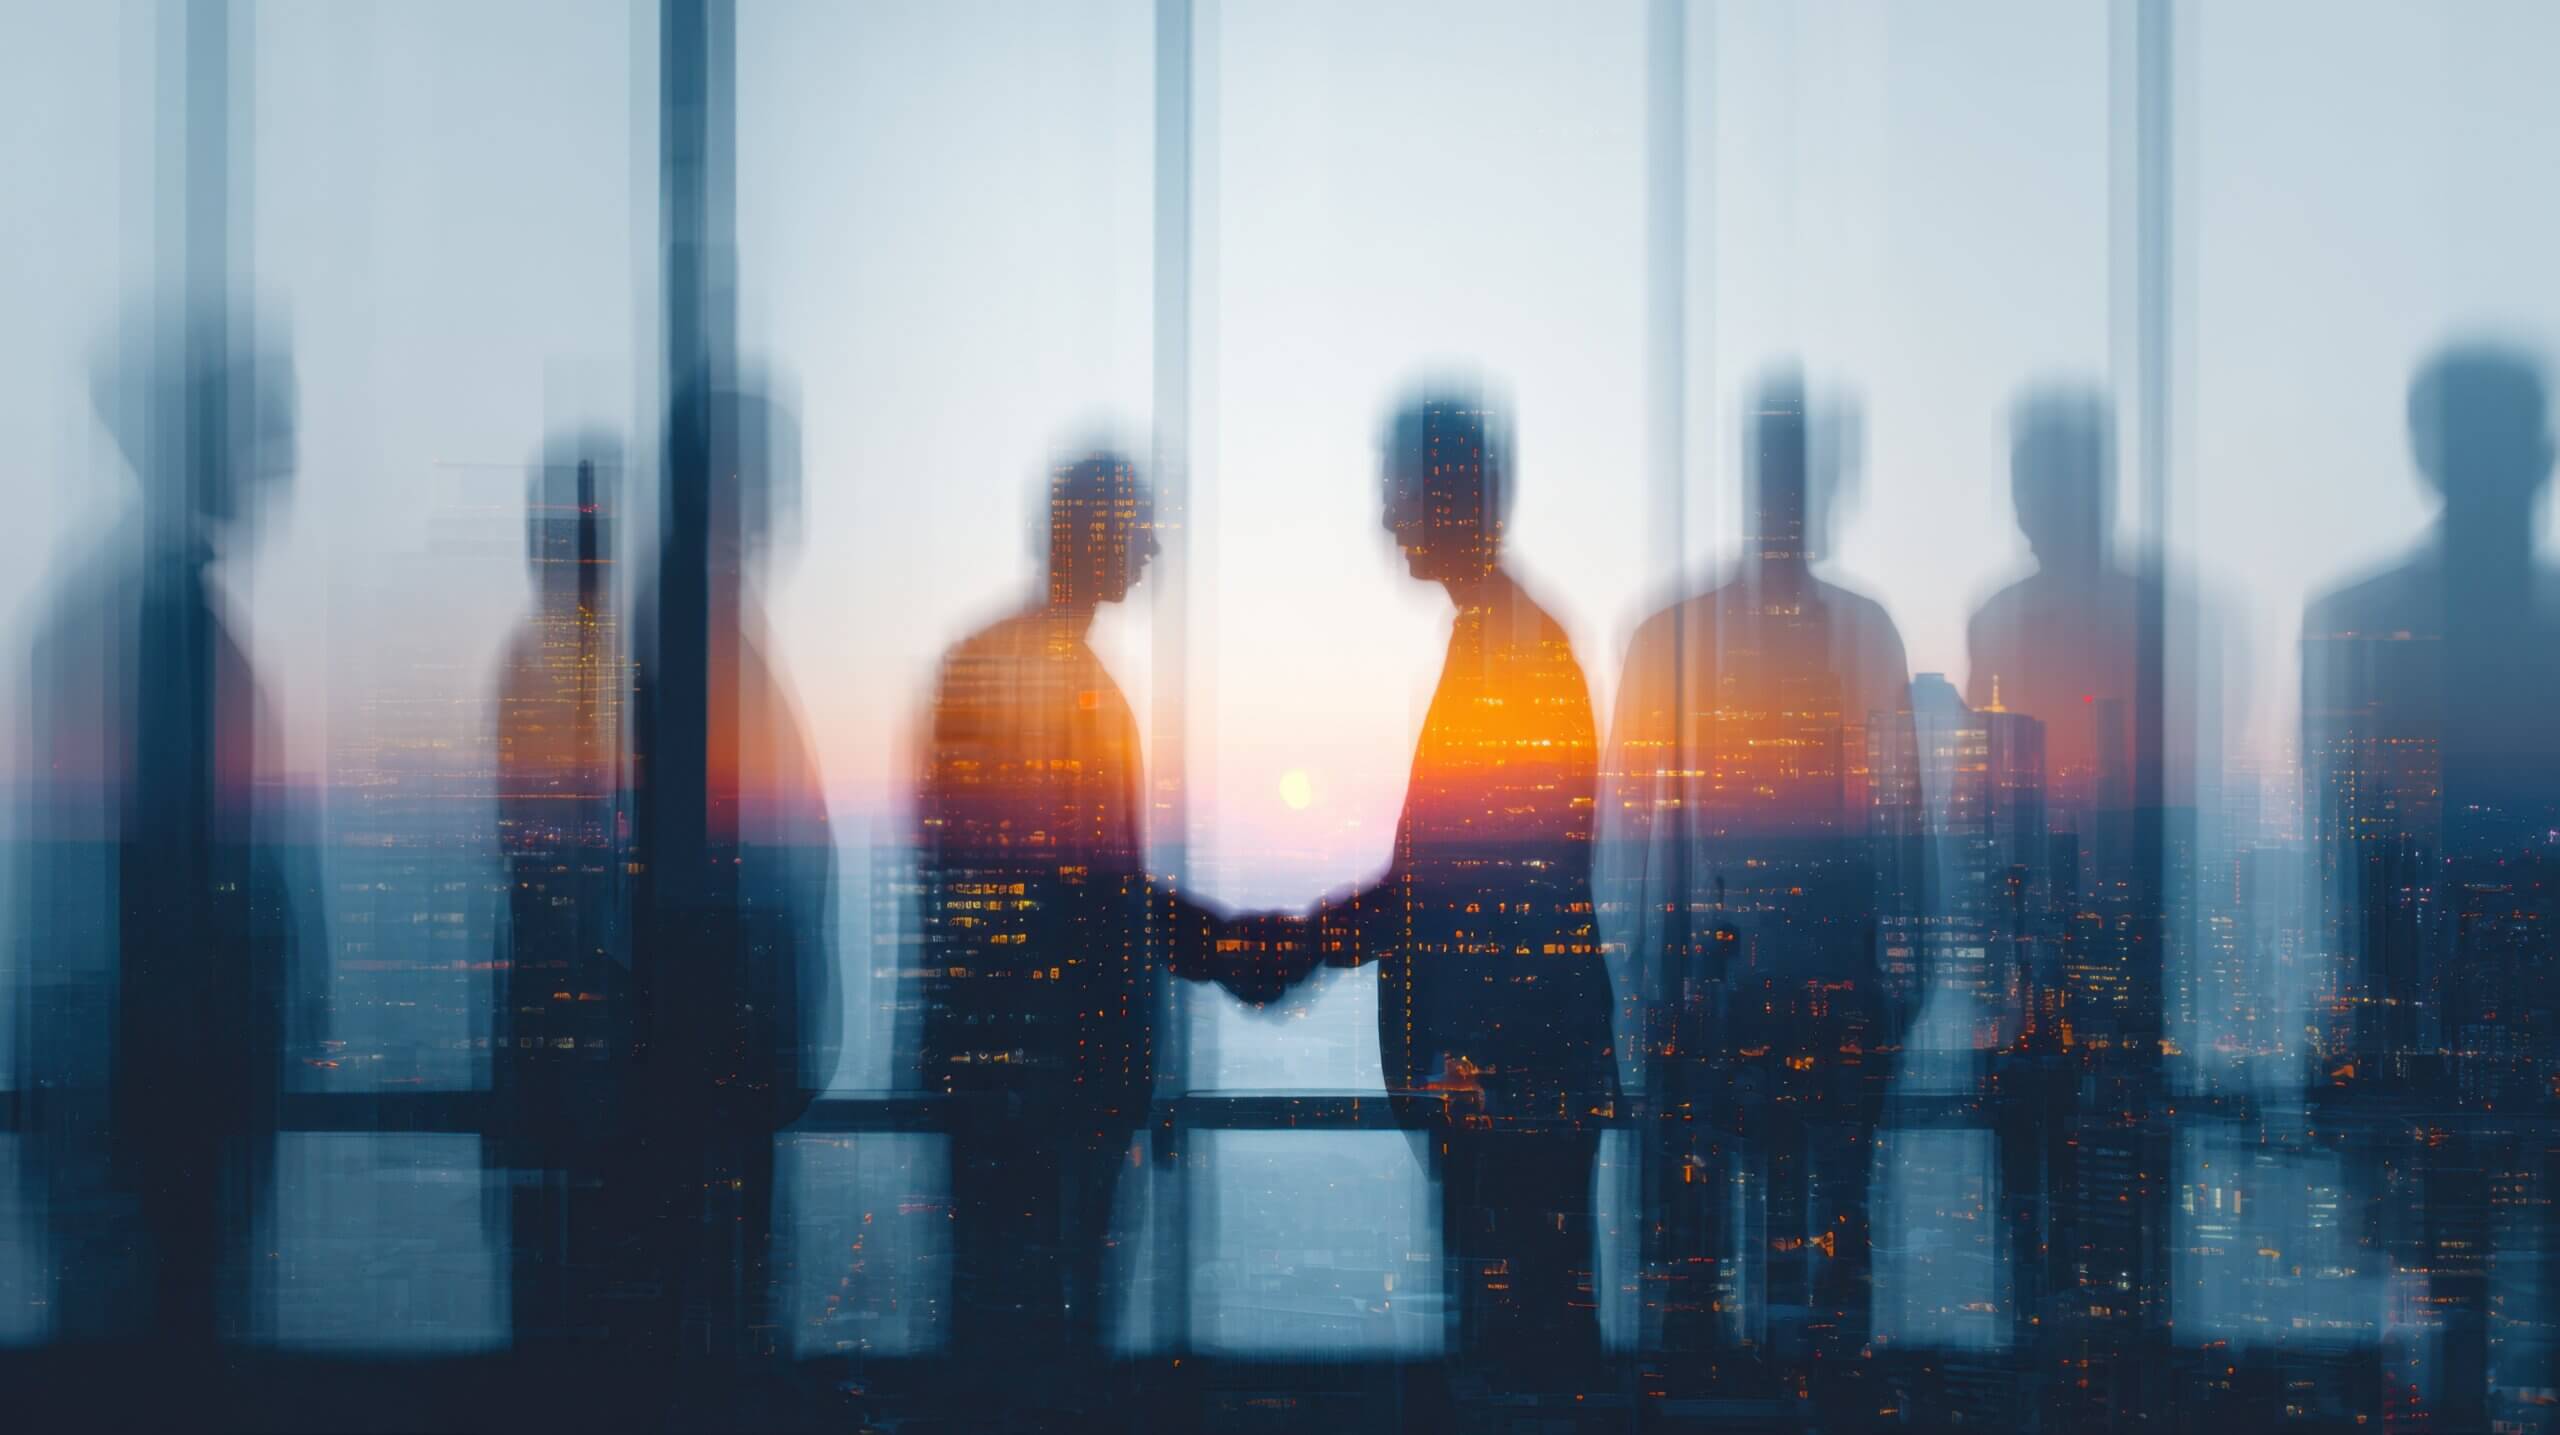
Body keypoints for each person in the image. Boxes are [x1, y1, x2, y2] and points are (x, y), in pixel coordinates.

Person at [1603, 370, 1918, 1411]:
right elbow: (1898, 837)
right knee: (1808, 1275)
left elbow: (1631, 844)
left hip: (1733, 1011)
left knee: (1721, 1273)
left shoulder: (1672, 638)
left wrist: (1651, 992)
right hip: (1792, 1008)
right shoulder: (1852, 636)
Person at [911, 452, 1248, 1393]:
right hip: (1057, 1086)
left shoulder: (992, 665)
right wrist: (1230, 955)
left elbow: (1036, 886)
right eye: (1138, 528)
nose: (1149, 550)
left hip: (1017, 1079)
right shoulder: (1061, 682)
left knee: (1005, 1337)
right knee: (1051, 1342)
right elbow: (1092, 894)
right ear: (1091, 534)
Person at [1302, 387, 1618, 1385]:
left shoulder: (1510, 649)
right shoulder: (1506, 638)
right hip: (1512, 1072)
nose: (1387, 515)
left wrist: (1302, 944)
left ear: (1453, 493)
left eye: (1399, 487)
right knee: (1530, 1337)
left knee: (1516, 1344)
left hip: (1504, 1079)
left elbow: (1472, 881)